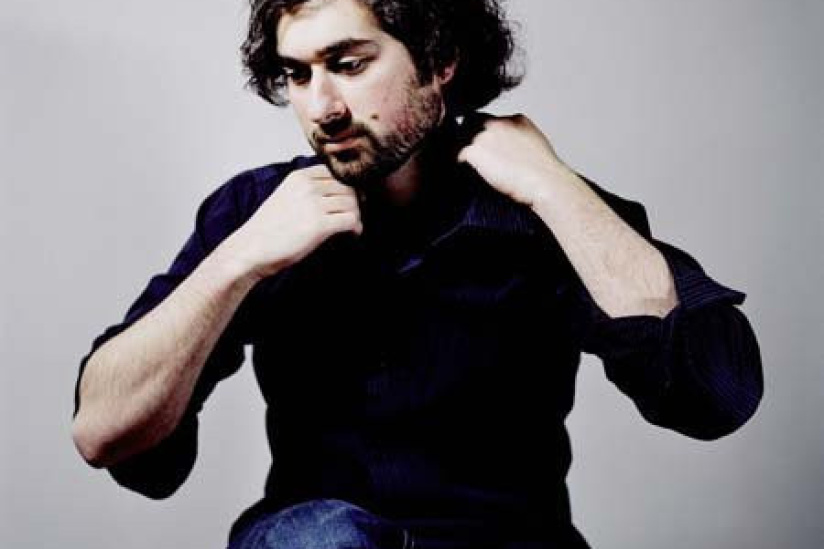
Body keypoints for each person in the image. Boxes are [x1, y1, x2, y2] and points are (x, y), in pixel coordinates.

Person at [71, 0, 763, 547]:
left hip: (508, 538)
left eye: (348, 64)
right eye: (298, 75)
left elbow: (715, 394)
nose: (322, 108)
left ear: (440, 59)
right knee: (322, 538)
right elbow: (104, 431)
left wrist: (555, 188)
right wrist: (238, 261)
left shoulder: (540, 209)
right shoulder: (258, 212)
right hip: (318, 540)